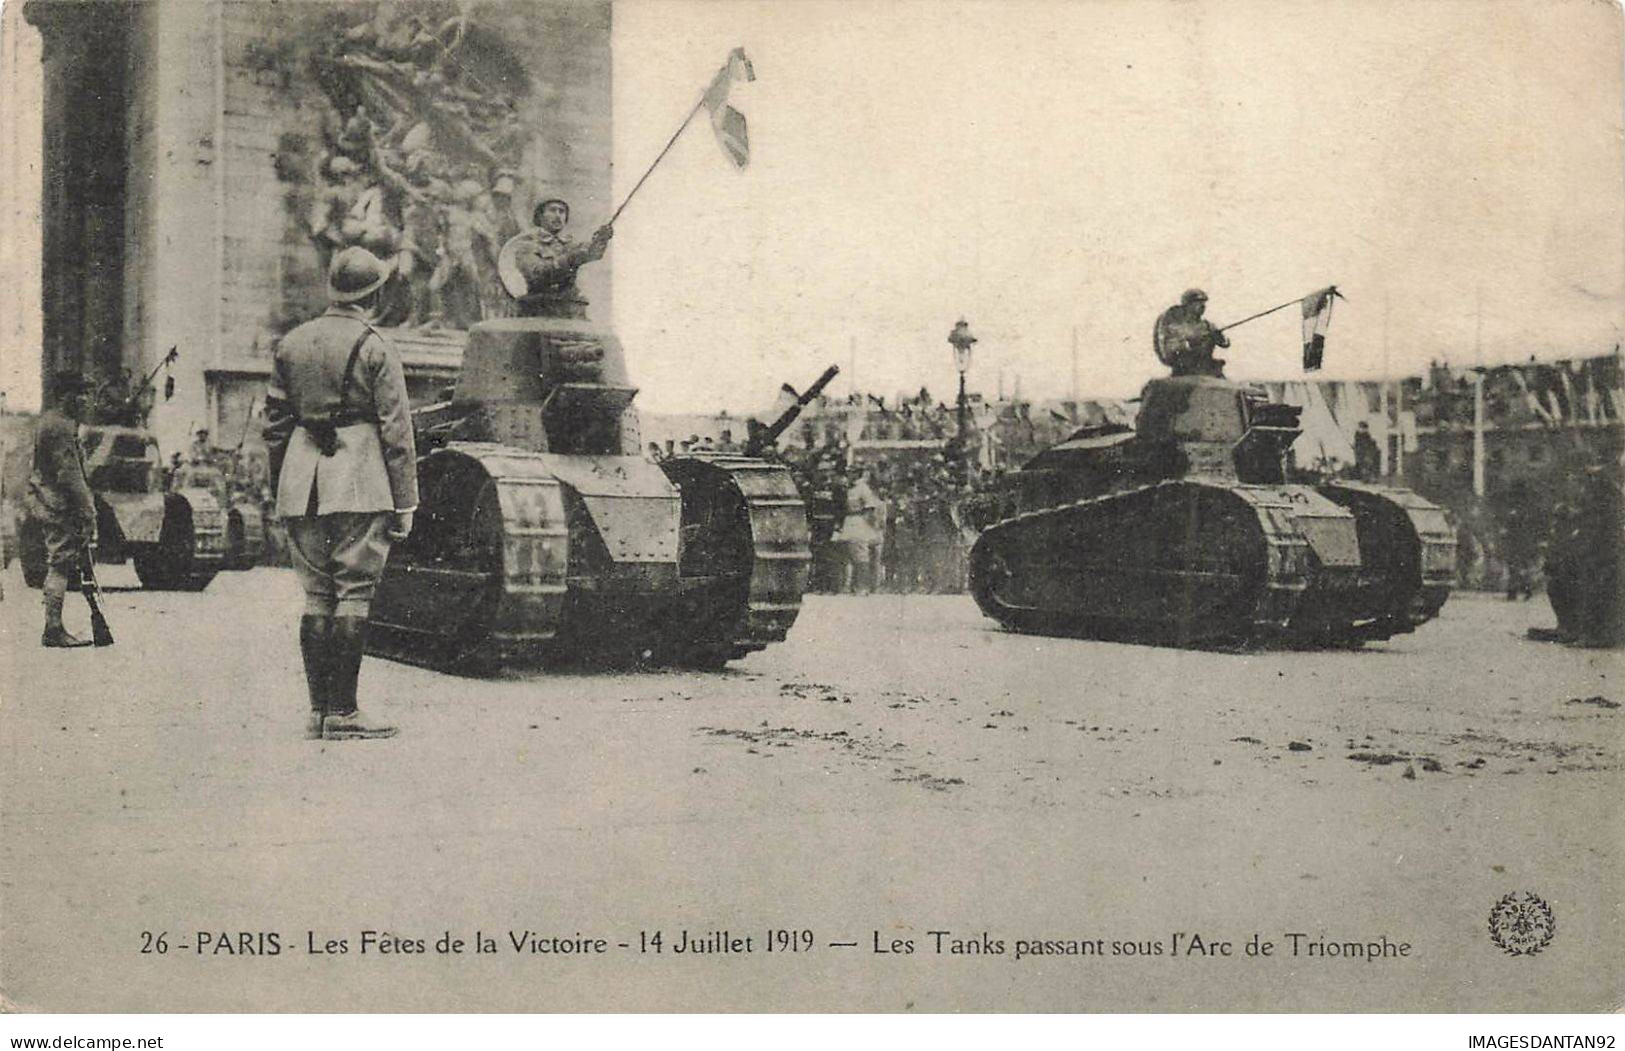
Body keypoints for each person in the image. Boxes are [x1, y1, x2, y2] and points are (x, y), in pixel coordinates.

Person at [263, 246, 418, 741]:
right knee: (354, 592)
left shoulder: (291, 343)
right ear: (374, 294)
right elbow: (397, 432)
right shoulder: (376, 346)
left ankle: (317, 712)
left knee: (315, 596)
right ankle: (345, 713)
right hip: (358, 476)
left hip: (300, 475)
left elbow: (274, 426)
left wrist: (280, 488)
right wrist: (405, 501)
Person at [26, 374, 98, 648]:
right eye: (80, 394)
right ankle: (53, 629)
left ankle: (54, 627)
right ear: (65, 395)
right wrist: (88, 508)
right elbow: (69, 473)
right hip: (58, 503)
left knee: (61, 563)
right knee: (60, 564)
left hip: (50, 500)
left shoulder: (53, 422)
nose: (85, 400)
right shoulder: (59, 426)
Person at [503, 196, 612, 317]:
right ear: (540, 216)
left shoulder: (571, 245)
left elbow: (591, 254)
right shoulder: (527, 245)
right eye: (552, 210)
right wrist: (569, 259)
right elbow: (537, 273)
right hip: (539, 309)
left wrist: (601, 240)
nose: (558, 215)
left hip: (571, 309)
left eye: (562, 211)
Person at [1154, 289, 1230, 377]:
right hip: (1184, 371)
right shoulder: (1176, 327)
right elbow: (1169, 350)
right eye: (1197, 302)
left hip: (1208, 370)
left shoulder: (1208, 326)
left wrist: (1218, 337)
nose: (1202, 306)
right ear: (1187, 305)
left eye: (1203, 302)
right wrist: (1190, 342)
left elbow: (1225, 344)